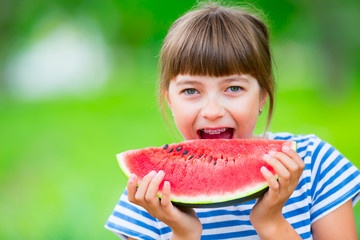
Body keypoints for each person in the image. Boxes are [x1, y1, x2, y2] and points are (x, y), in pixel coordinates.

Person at [105, 1, 360, 239]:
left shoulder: (316, 166)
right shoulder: (147, 196)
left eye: (234, 88)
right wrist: (183, 235)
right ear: (169, 100)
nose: (212, 111)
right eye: (191, 91)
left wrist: (272, 223)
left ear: (262, 95)